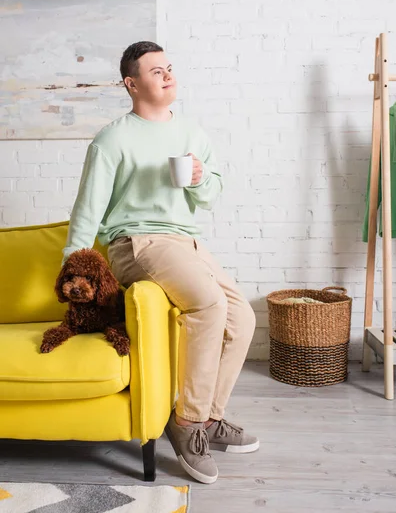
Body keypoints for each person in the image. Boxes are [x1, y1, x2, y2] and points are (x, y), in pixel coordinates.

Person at [62, 41, 258, 484]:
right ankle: (187, 423)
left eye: (169, 68)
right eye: (156, 71)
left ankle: (208, 418)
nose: (168, 75)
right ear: (131, 84)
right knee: (209, 304)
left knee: (243, 316)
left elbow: (211, 195)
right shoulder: (112, 139)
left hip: (186, 242)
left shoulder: (191, 133)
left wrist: (200, 177)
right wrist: (72, 267)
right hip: (137, 242)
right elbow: (87, 208)